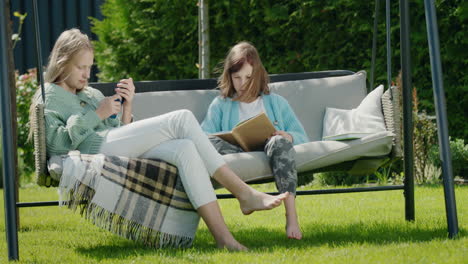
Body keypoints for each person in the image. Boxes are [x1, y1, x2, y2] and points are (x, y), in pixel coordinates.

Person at [31, 29, 289, 251]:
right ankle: (243, 193)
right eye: (81, 67)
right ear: (63, 62)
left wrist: (127, 107)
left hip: (110, 143)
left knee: (185, 148)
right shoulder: (49, 95)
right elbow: (58, 144)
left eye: (90, 66)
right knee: (182, 119)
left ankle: (224, 239)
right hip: (95, 148)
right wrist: (97, 113)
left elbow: (120, 131)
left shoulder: (91, 93)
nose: (87, 74)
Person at [201, 41, 309, 240]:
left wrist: (287, 135)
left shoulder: (276, 102)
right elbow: (203, 136)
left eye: (248, 77)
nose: (243, 83)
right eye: (237, 77)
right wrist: (226, 136)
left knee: (280, 143)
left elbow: (302, 136)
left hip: (270, 148)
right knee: (207, 142)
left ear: (258, 75)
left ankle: (291, 217)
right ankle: (248, 197)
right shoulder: (220, 104)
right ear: (229, 77)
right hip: (235, 150)